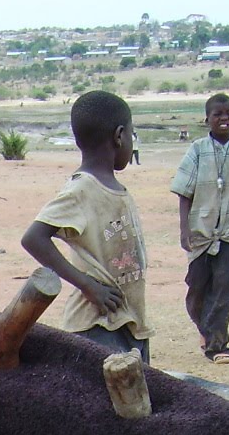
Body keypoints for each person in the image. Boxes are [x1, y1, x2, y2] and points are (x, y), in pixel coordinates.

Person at [20, 91, 151, 362]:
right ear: (119, 135)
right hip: (96, 324)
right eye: (132, 134)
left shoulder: (114, 188)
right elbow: (34, 238)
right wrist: (87, 285)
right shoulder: (81, 190)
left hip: (129, 321)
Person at [170, 93, 229, 365]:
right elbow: (184, 192)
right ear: (207, 119)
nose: (224, 118)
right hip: (202, 231)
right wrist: (184, 229)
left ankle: (218, 345)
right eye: (218, 114)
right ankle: (205, 329)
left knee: (224, 285)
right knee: (196, 288)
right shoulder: (197, 150)